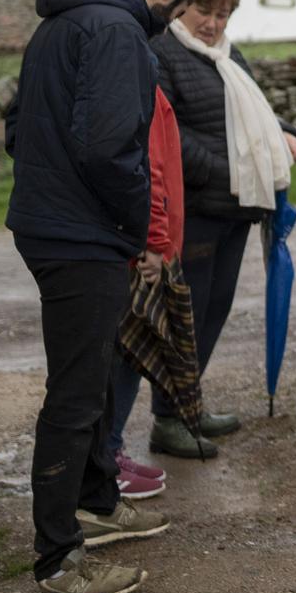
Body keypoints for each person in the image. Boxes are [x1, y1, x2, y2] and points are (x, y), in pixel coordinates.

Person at [6, 0, 193, 593]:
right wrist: (140, 230)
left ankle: (96, 502)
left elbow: (15, 125)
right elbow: (112, 146)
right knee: (78, 390)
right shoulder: (116, 29)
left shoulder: (60, 20)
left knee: (86, 375)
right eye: (181, 6)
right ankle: (59, 559)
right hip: (82, 234)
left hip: (52, 221)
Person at [116, 0, 296, 461]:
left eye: (223, 15)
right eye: (205, 11)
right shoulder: (162, 54)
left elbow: (252, 109)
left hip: (237, 208)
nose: (213, 24)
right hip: (194, 209)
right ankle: (169, 419)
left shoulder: (226, 55)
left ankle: (190, 405)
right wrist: (230, 171)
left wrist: (286, 133)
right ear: (183, 8)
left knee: (213, 312)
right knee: (185, 316)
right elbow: (169, 138)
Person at [106, 80, 182, 500]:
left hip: (146, 242)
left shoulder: (141, 75)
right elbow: (150, 166)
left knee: (131, 354)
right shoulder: (137, 80)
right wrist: (155, 240)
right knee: (129, 351)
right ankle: (108, 456)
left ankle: (111, 449)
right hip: (143, 247)